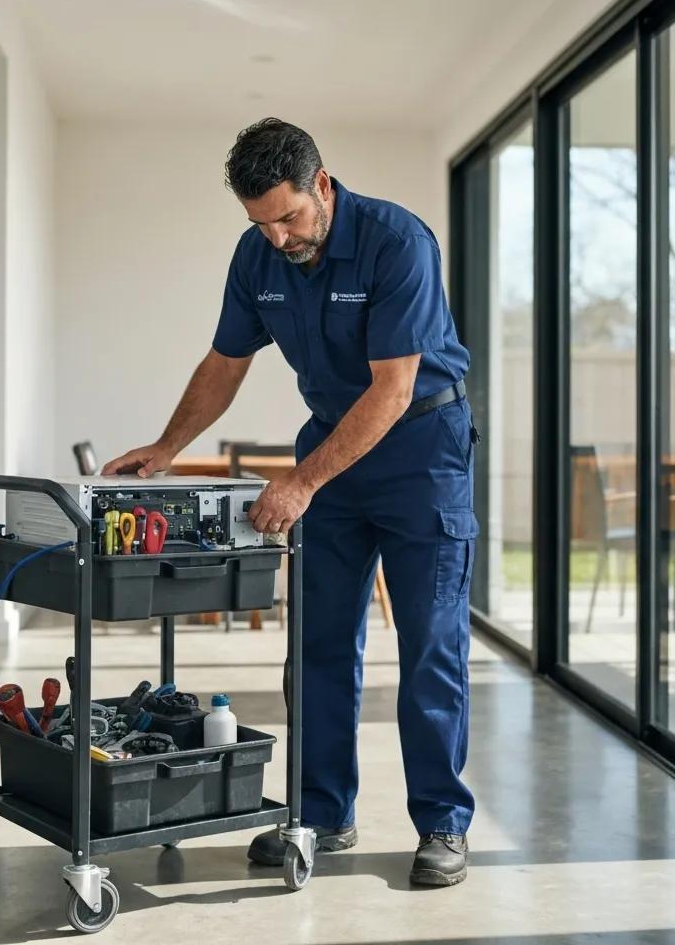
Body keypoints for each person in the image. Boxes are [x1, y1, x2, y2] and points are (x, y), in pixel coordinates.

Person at [103, 118, 478, 887]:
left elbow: (395, 387)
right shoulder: (257, 256)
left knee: (431, 646)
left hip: (422, 451)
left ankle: (442, 823)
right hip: (334, 454)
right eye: (260, 222)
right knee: (317, 644)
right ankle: (321, 813)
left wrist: (302, 480)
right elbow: (226, 361)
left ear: (323, 186)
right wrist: (169, 446)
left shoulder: (396, 241)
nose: (277, 237)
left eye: (289, 217)